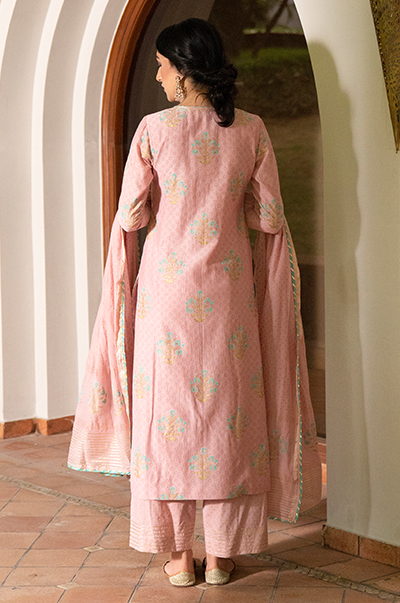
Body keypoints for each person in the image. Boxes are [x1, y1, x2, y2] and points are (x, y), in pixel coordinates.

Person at [68, 17, 321, 588]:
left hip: (168, 296)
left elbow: (131, 214)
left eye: (162, 67)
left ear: (184, 71)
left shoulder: (154, 130)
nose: (158, 77)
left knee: (169, 417)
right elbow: (269, 217)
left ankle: (180, 557)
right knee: (232, 416)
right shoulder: (251, 129)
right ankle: (223, 556)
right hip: (229, 296)